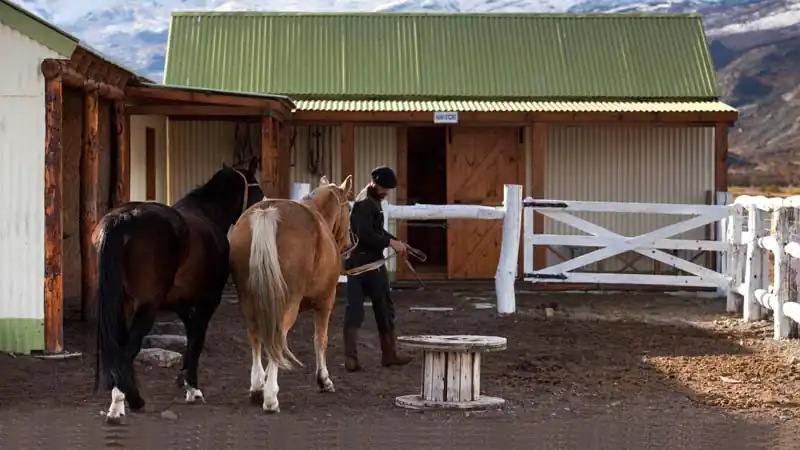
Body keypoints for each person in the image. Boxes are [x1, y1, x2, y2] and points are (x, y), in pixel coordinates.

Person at [343, 166, 413, 372]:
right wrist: (391, 244)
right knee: (366, 310)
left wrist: (395, 241)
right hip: (366, 266)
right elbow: (366, 235)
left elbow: (376, 230)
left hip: (365, 264)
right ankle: (372, 356)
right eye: (384, 188)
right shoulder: (365, 203)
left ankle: (374, 356)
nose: (386, 192)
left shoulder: (371, 200)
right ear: (375, 183)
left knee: (372, 309)